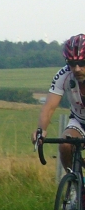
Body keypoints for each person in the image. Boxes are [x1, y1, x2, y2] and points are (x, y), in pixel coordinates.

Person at [33, 34, 85, 172]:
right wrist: (40, 130)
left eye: (82, 63)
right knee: (65, 145)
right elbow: (49, 107)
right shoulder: (63, 75)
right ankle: (73, 183)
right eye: (72, 64)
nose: (77, 69)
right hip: (79, 121)